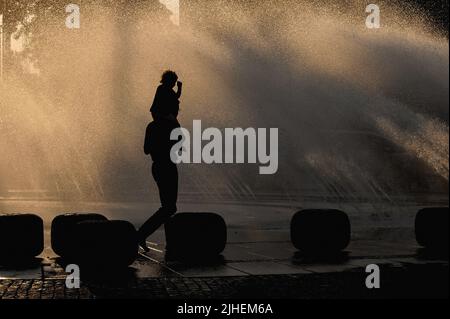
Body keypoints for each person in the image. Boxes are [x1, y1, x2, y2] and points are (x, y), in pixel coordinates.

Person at [138, 71, 182, 252]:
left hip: (157, 166)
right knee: (170, 207)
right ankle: (140, 234)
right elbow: (178, 150)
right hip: (168, 167)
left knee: (169, 206)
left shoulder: (152, 126)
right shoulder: (173, 127)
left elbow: (146, 150)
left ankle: (144, 235)